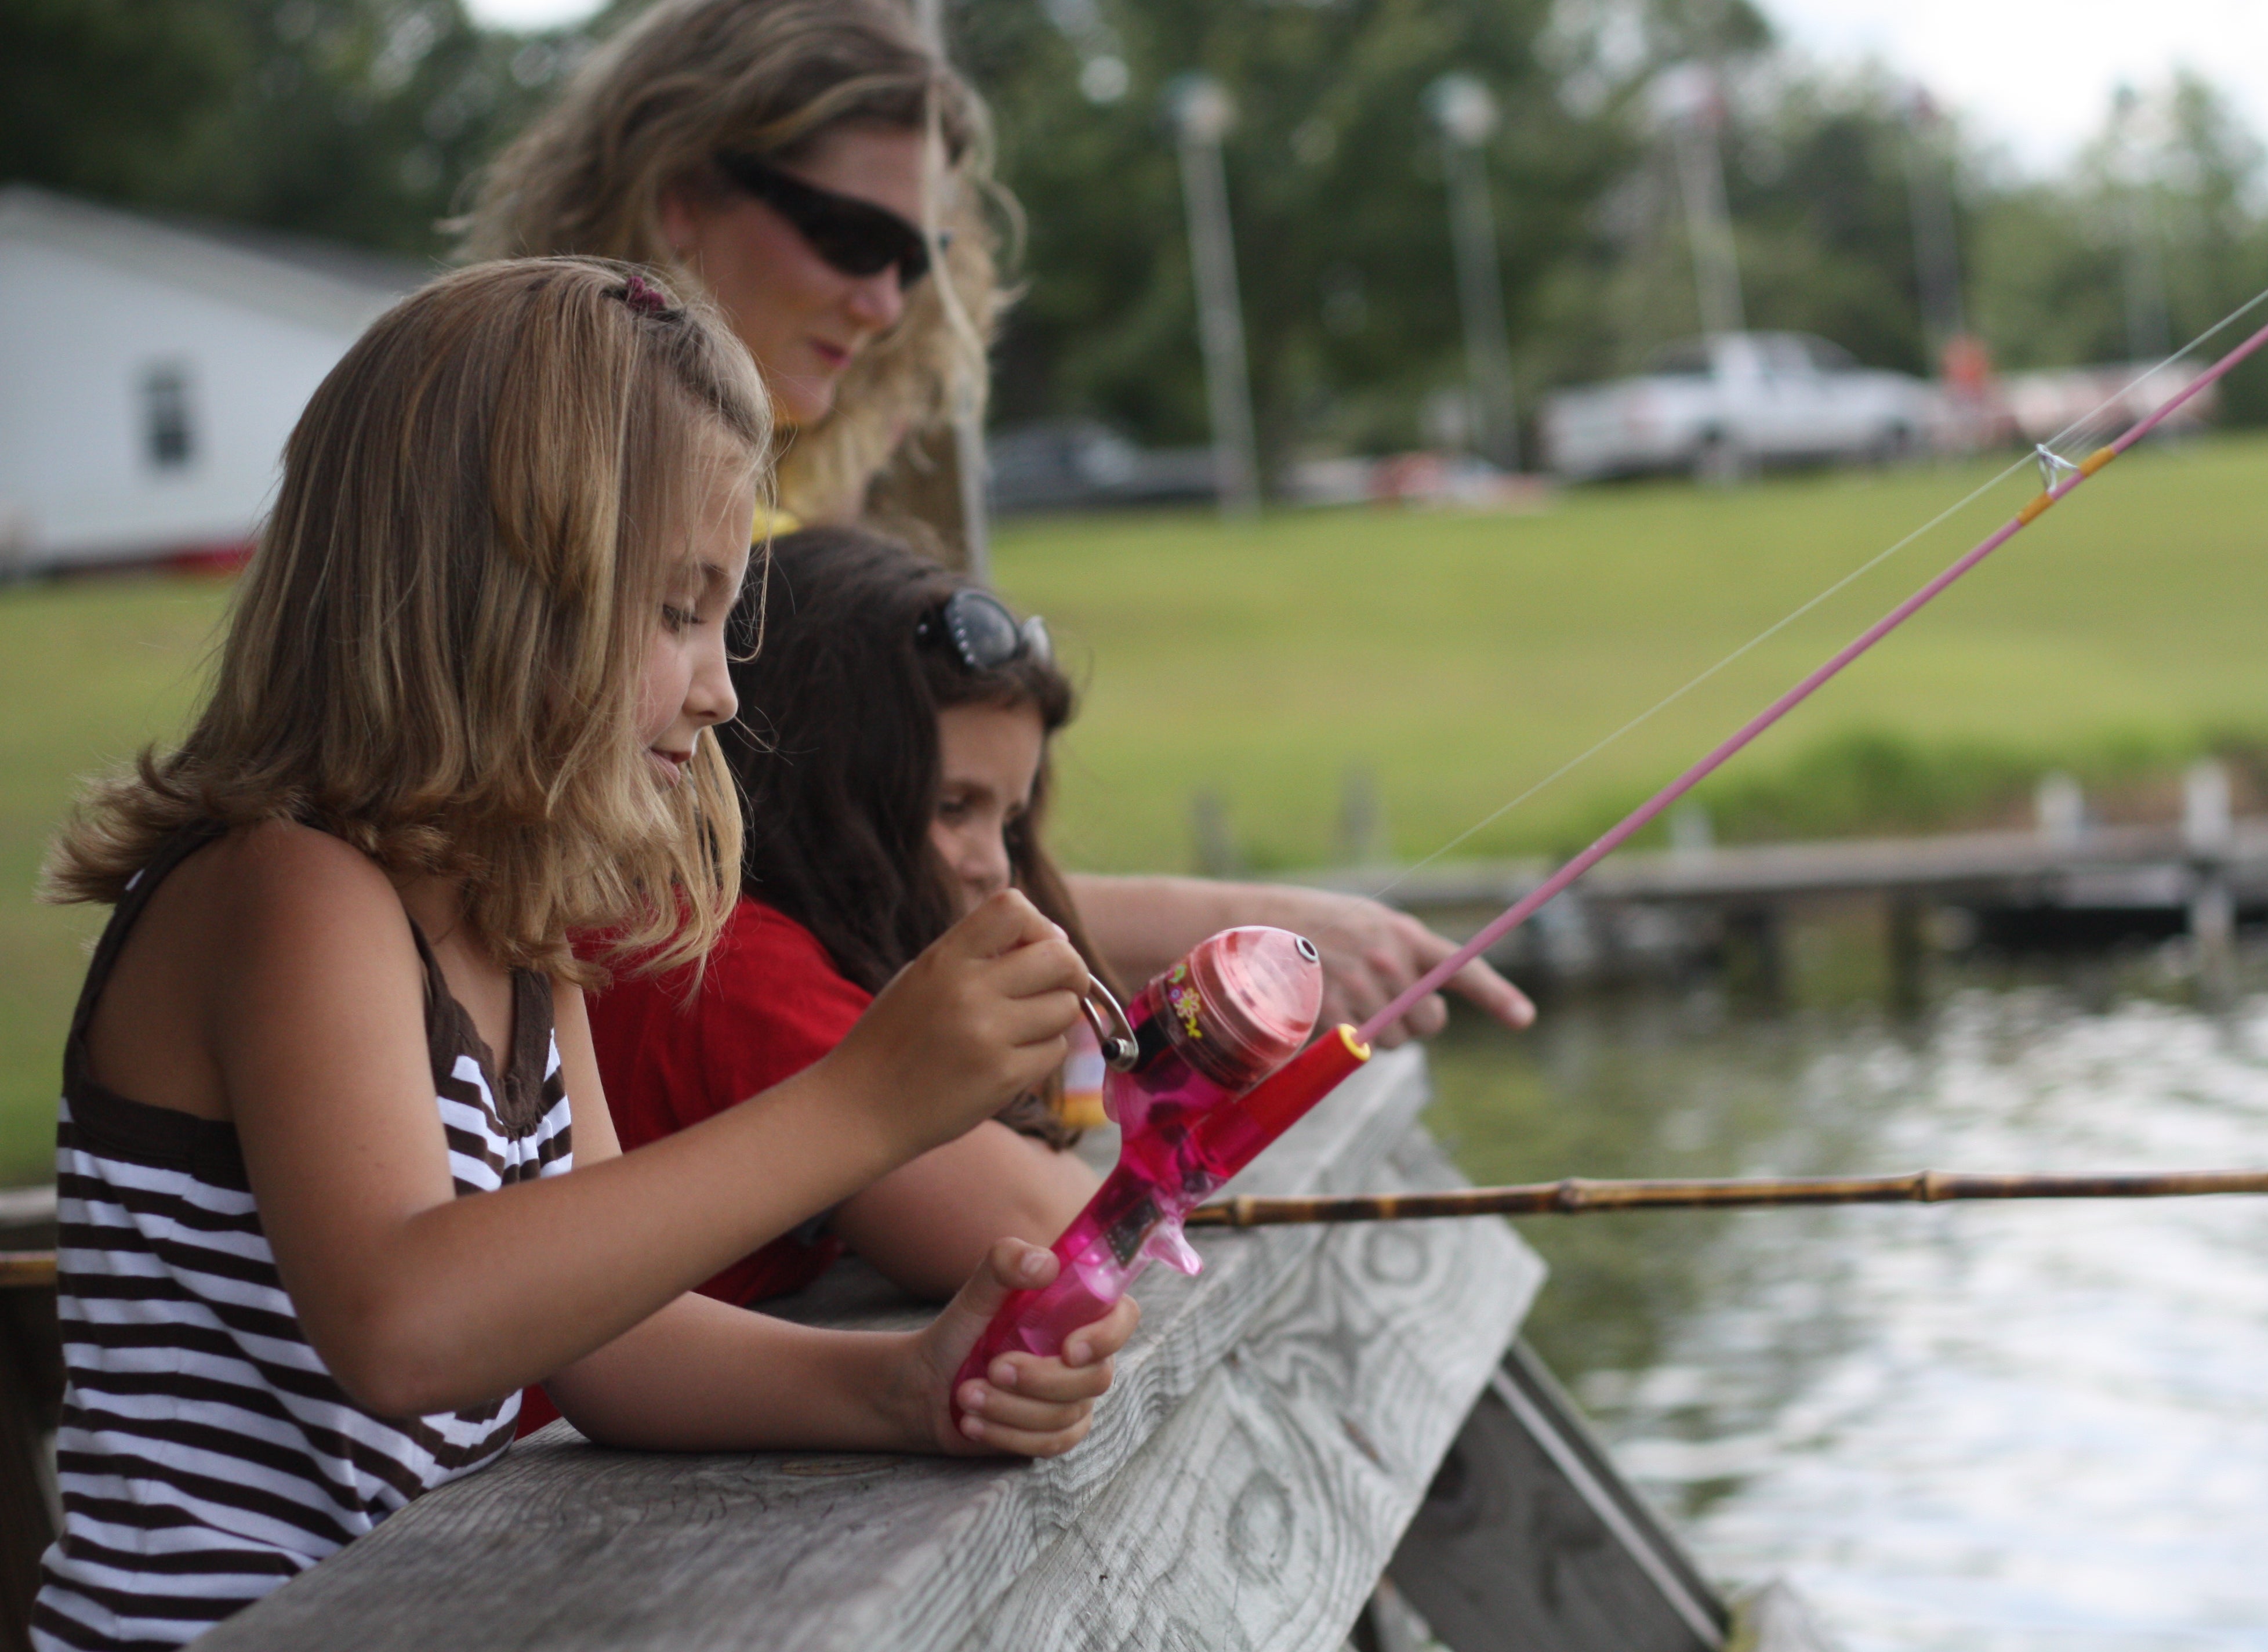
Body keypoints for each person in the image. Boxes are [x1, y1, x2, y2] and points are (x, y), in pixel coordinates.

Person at [31, 260, 1137, 1651]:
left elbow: (606, 1336)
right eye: (679, 613)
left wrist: (905, 1387)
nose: (722, 687)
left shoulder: (517, 929)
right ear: (487, 594)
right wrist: (862, 1103)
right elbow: (407, 1318)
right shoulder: (287, 888)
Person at [459, 0, 1536, 1048]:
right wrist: (1229, 925)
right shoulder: (532, 503)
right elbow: (808, 889)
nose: (886, 303)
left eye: (916, 259)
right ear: (681, 194)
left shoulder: (765, 517)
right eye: (848, 236)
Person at [584, 526, 1102, 1315]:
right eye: (952, 807)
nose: (993, 864)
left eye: (1010, 822)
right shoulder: (724, 964)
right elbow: (1048, 1230)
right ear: (817, 787)